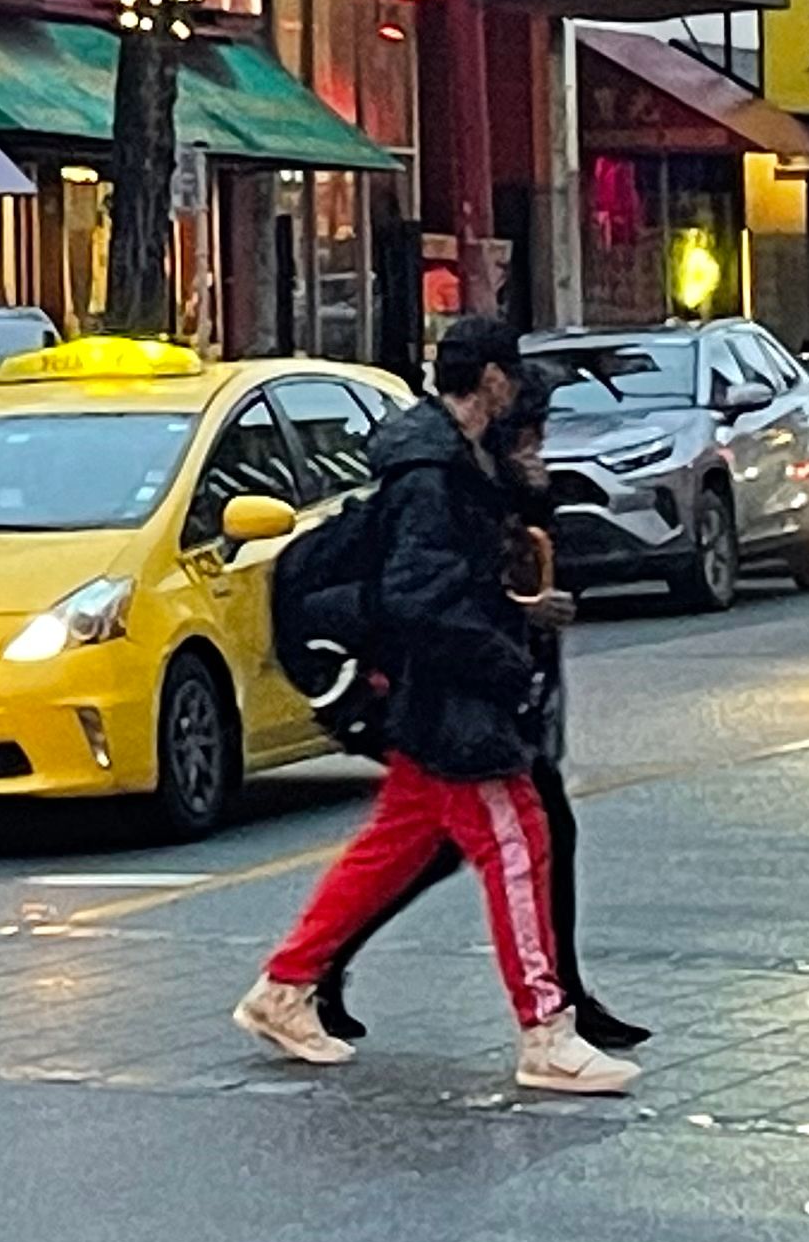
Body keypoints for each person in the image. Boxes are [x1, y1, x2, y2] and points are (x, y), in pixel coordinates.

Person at [233, 316, 638, 1095]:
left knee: (394, 845)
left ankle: (285, 988)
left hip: (432, 692)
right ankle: (546, 1032)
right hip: (454, 695)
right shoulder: (434, 474)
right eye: (509, 374)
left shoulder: (447, 461)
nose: (517, 389)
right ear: (489, 380)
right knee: (519, 847)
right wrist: (504, 663)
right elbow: (424, 594)